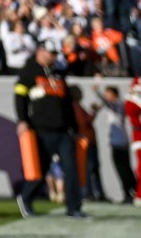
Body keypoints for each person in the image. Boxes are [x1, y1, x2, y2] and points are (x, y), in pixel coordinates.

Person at [10, 53, 85, 220]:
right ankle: (26, 197)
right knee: (41, 169)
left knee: (71, 168)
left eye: (54, 54)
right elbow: (19, 96)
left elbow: (67, 105)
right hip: (42, 129)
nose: (52, 57)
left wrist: (75, 127)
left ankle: (74, 208)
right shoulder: (29, 71)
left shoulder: (58, 74)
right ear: (40, 52)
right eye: (49, 53)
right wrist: (22, 120)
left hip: (64, 130)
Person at [97, 85, 134, 203]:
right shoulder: (119, 105)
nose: (107, 97)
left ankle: (129, 192)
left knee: (122, 168)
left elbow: (108, 105)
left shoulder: (118, 104)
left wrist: (97, 93)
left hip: (119, 142)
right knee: (124, 168)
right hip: (118, 141)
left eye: (108, 94)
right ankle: (130, 190)